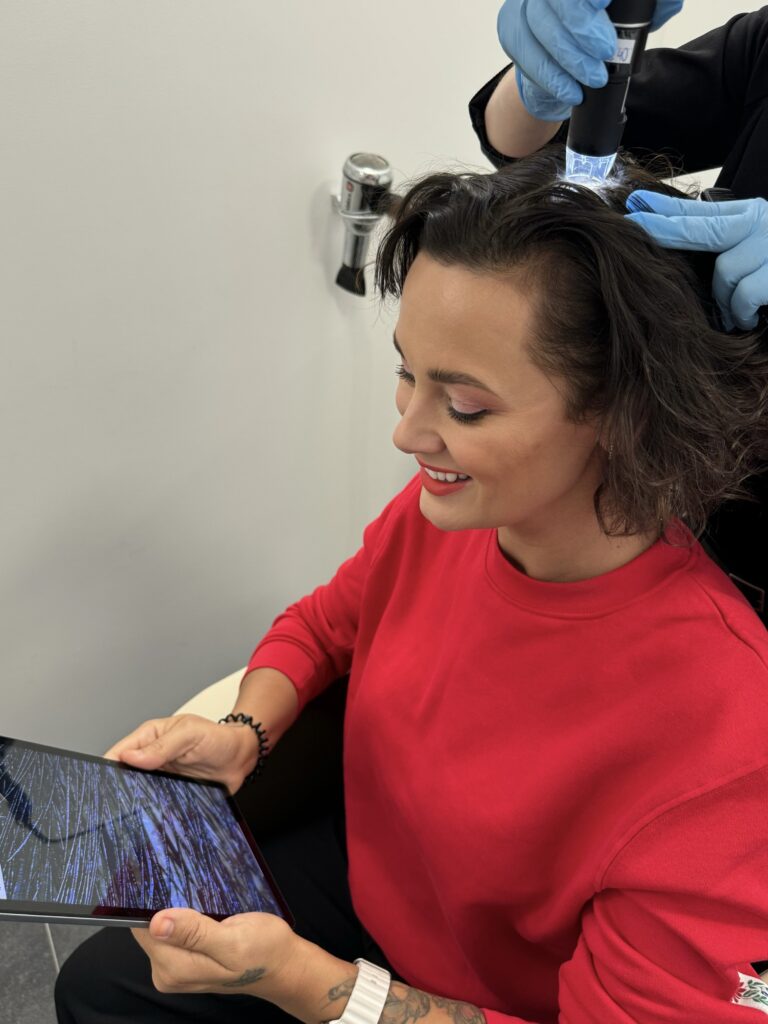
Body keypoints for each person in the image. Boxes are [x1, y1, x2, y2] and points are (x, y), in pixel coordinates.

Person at [55, 147, 768, 1023]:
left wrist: (310, 985)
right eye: (406, 373)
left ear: (626, 413)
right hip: (370, 887)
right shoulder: (450, 518)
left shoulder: (726, 747)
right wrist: (245, 731)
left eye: (464, 406)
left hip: (483, 997)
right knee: (100, 986)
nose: (408, 432)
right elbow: (324, 625)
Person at [470, 2, 768, 622]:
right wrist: (541, 79)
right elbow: (544, 146)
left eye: (468, 406)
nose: (407, 435)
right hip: (699, 510)